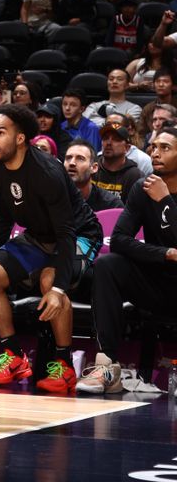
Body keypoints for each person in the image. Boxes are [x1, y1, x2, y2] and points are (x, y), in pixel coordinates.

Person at [0, 105, 103, 394]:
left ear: (20, 139)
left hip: (79, 233)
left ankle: (64, 365)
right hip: (37, 235)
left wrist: (59, 289)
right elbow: (4, 219)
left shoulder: (47, 172)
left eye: (1, 133)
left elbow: (66, 232)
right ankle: (14, 357)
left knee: (50, 280)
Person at [77, 127, 177, 394]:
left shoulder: (158, 193)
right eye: (153, 147)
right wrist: (165, 254)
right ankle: (106, 365)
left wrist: (166, 201)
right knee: (108, 265)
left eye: (165, 148)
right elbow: (120, 240)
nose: (155, 152)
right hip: (157, 281)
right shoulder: (142, 188)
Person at [64, 139, 122, 213]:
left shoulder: (111, 206)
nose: (72, 163)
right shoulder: (52, 197)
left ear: (94, 168)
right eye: (68, 158)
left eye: (80, 159)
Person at [93, 123, 142, 203]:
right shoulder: (92, 167)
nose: (108, 143)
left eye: (115, 139)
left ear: (127, 148)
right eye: (105, 138)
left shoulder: (134, 176)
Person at [61, 87, 101, 152]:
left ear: (82, 109)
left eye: (73, 105)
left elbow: (92, 156)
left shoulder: (91, 129)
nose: (67, 108)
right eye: (65, 104)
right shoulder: (61, 126)